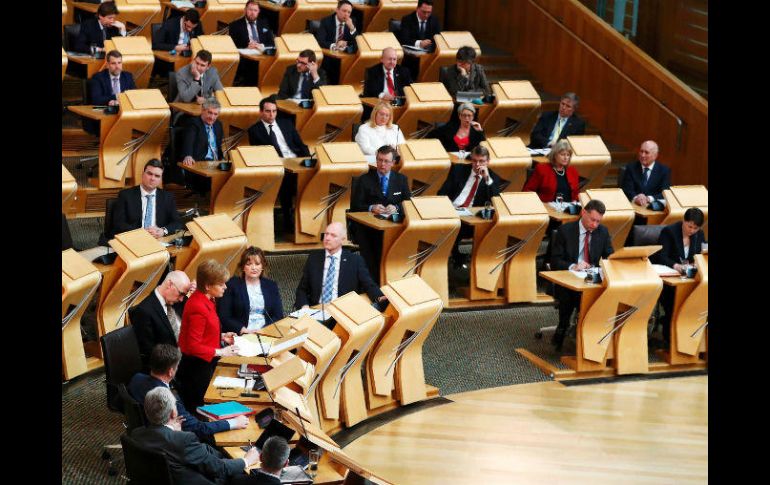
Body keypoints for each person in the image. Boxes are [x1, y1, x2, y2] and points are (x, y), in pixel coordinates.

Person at [130, 386, 258, 484]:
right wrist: (246, 460)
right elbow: (219, 469)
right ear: (174, 413)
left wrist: (174, 433)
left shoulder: (136, 434)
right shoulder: (183, 440)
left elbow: (169, 446)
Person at [128, 345, 248, 442]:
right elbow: (198, 428)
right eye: (176, 367)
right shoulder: (169, 401)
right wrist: (233, 423)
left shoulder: (136, 378)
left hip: (143, 433)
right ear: (171, 372)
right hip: (170, 439)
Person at [550, 199, 614, 351]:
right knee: (570, 295)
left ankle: (592, 336)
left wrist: (610, 263)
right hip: (568, 278)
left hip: (591, 278)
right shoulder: (565, 231)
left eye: (598, 221)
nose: (595, 225)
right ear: (583, 213)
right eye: (593, 220)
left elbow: (609, 255)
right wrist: (573, 266)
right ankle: (563, 327)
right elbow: (555, 261)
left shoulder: (602, 232)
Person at [176, 259, 240, 410]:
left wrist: (221, 336)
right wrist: (221, 351)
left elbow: (205, 329)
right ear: (208, 286)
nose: (225, 287)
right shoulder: (198, 306)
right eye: (220, 284)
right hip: (196, 369)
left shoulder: (208, 299)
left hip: (205, 363)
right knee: (201, 410)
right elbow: (192, 345)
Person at [248, 96, 310, 233]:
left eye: (274, 111)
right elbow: (261, 155)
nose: (271, 114)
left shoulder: (287, 123)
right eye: (268, 111)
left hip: (297, 162)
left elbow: (300, 145)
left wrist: (308, 160)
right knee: (286, 181)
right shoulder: (254, 130)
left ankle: (307, 219)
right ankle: (288, 219)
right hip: (278, 166)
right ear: (261, 112)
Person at [294, 222, 385, 313]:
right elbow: (302, 289)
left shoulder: (355, 261)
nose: (328, 238)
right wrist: (304, 308)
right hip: (317, 311)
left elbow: (369, 285)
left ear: (342, 239)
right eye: (326, 234)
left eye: (333, 235)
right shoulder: (314, 258)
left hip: (343, 311)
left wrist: (380, 297)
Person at [350, 146, 411, 282]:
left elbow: (408, 203)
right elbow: (355, 206)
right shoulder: (364, 180)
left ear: (393, 162)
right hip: (368, 227)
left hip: (393, 225)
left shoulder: (401, 180)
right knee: (374, 248)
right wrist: (371, 207)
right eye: (379, 160)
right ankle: (374, 282)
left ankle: (394, 279)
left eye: (386, 161)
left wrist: (396, 207)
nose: (382, 164)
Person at [437, 145, 501, 268]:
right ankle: (454, 258)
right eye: (475, 161)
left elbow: (496, 202)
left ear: (488, 161)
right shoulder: (458, 170)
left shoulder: (493, 178)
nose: (477, 165)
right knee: (448, 226)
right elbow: (442, 193)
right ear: (471, 159)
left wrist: (487, 179)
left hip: (471, 219)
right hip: (451, 210)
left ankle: (458, 258)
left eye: (481, 161)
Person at [653, 207, 706, 346]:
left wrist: (697, 263)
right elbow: (661, 257)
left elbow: (702, 254)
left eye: (695, 228)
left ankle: (691, 339)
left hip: (690, 279)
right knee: (675, 302)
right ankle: (671, 339)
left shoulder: (699, 235)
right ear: (684, 221)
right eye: (690, 226)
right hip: (669, 281)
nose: (692, 230)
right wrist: (677, 266)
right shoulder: (669, 232)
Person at [130, 271, 195, 369]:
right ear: (169, 284)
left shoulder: (180, 301)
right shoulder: (144, 311)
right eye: (181, 293)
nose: (182, 299)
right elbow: (149, 353)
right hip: (168, 367)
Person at [110, 159, 182, 241]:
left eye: (157, 176)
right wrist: (140, 233)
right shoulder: (126, 195)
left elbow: (177, 223)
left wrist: (163, 231)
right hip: (134, 239)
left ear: (160, 179)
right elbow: (119, 223)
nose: (152, 178)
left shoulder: (167, 197)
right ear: (143, 174)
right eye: (149, 174)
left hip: (158, 240)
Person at [217, 246, 284, 335]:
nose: (254, 268)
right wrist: (243, 330)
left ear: (262, 266)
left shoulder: (271, 285)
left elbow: (278, 315)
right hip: (241, 332)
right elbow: (224, 316)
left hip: (266, 331)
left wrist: (264, 330)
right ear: (243, 267)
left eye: (257, 264)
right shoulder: (231, 285)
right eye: (249, 264)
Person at [360, 47, 413, 122]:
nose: (392, 62)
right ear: (382, 59)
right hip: (379, 105)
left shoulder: (403, 71)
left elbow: (410, 89)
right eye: (389, 59)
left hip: (398, 106)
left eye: (394, 59)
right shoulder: (372, 71)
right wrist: (382, 95)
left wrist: (398, 97)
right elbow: (368, 92)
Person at [229, 0, 275, 86]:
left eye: (255, 10)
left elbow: (271, 43)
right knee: (252, 68)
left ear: (258, 12)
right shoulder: (235, 25)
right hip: (245, 58)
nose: (252, 13)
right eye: (250, 10)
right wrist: (246, 47)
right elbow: (232, 46)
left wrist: (261, 46)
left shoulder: (264, 23)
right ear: (245, 10)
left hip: (262, 55)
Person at [315, 1, 360, 84]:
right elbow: (320, 41)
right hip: (329, 58)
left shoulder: (352, 22)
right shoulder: (326, 21)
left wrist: (352, 29)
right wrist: (335, 46)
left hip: (345, 58)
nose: (346, 14)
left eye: (349, 12)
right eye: (344, 11)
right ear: (337, 10)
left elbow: (358, 43)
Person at [398, 0, 442, 78]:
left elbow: (438, 39)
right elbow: (404, 39)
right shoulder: (407, 19)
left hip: (428, 57)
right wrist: (419, 43)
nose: (426, 15)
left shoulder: (435, 20)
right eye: (424, 12)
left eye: (429, 12)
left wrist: (429, 44)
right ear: (417, 9)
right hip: (411, 58)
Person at [621, 140, 672, 206]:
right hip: (634, 206)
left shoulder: (664, 171)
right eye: (641, 151)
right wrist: (636, 198)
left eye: (646, 152)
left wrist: (648, 198)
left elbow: (665, 193)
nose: (642, 155)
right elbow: (627, 189)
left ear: (655, 155)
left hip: (652, 208)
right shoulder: (631, 168)